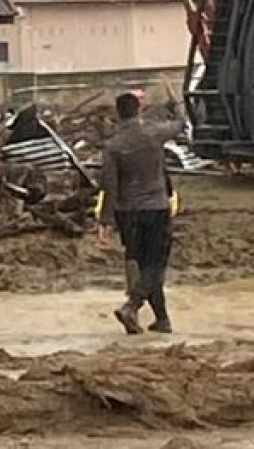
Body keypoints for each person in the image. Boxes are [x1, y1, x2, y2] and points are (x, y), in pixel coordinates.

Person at [96, 91, 187, 335]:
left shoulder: (113, 146)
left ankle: (162, 320)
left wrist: (105, 220)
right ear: (139, 110)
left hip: (128, 213)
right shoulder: (153, 133)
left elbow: (109, 185)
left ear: (118, 114)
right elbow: (181, 124)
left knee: (144, 264)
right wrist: (174, 103)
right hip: (156, 208)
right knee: (155, 265)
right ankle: (132, 305)